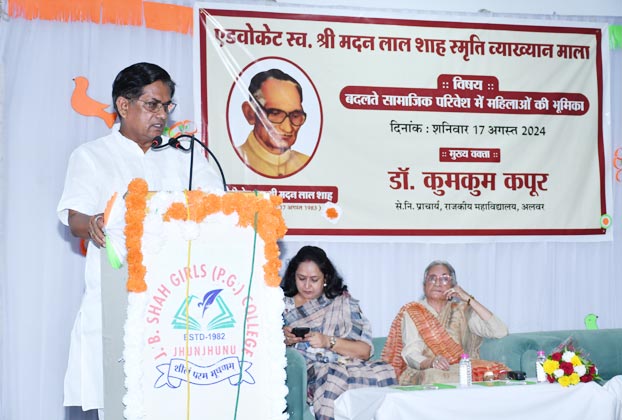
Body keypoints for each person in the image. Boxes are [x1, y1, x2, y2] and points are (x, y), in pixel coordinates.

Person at [57, 62, 222, 419]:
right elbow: (75, 219)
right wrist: (95, 222)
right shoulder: (92, 155)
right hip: (117, 299)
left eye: (167, 106)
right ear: (123, 105)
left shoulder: (185, 157)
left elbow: (222, 208)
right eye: (152, 105)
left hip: (178, 308)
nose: (162, 115)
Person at [281, 246, 397, 420]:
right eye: (301, 278)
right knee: (333, 375)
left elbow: (364, 351)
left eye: (314, 279)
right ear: (293, 276)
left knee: (384, 370)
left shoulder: (343, 303)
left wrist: (328, 341)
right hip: (308, 374)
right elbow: (261, 349)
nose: (307, 285)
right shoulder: (280, 306)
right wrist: (282, 339)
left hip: (347, 365)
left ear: (326, 278)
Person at [382, 260, 509, 385]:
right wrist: (431, 362)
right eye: (432, 278)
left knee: (499, 374)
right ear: (424, 285)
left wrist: (469, 299)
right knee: (435, 377)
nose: (437, 283)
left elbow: (500, 331)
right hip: (424, 371)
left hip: (461, 368)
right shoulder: (414, 312)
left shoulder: (463, 310)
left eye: (444, 279)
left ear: (453, 286)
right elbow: (411, 353)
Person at [237, 68, 310, 177]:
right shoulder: (232, 161)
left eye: (295, 116)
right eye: (275, 114)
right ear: (250, 113)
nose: (288, 128)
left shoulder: (307, 164)